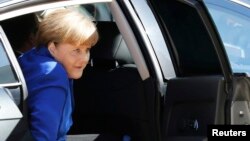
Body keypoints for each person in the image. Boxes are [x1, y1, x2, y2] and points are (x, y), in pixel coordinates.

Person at [18, 8, 98, 141]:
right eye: (76, 50)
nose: (84, 59)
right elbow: (44, 137)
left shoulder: (32, 56)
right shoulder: (53, 73)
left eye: (87, 49)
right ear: (52, 47)